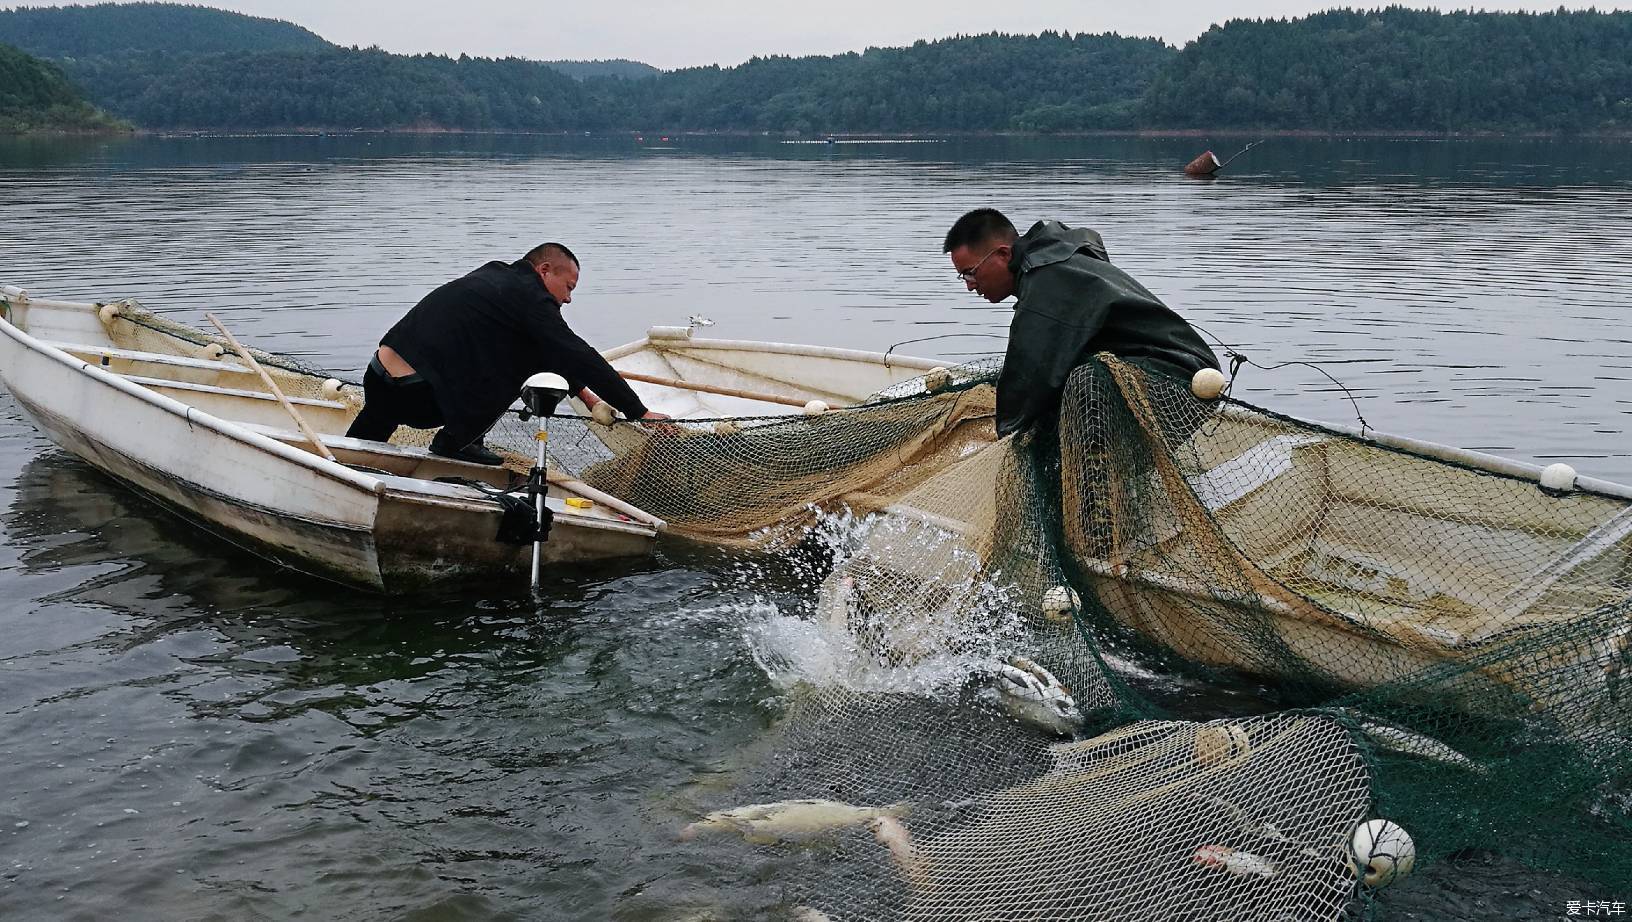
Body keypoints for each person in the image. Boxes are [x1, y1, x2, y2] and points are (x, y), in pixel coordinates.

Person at [345, 242, 667, 464]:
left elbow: (550, 349)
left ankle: (346, 457)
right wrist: (637, 410)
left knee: (371, 426)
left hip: (378, 378)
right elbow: (576, 353)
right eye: (568, 287)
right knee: (525, 366)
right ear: (544, 270)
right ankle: (456, 442)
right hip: (418, 396)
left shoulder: (495, 273)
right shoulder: (531, 298)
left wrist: (586, 396)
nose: (568, 299)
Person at [943, 209, 1219, 437]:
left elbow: (1031, 373)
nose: (970, 286)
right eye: (964, 278)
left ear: (1003, 254)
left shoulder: (1048, 280)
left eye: (970, 273)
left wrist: (1005, 438)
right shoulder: (1057, 259)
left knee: (1084, 383)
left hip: (1175, 376)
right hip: (1171, 369)